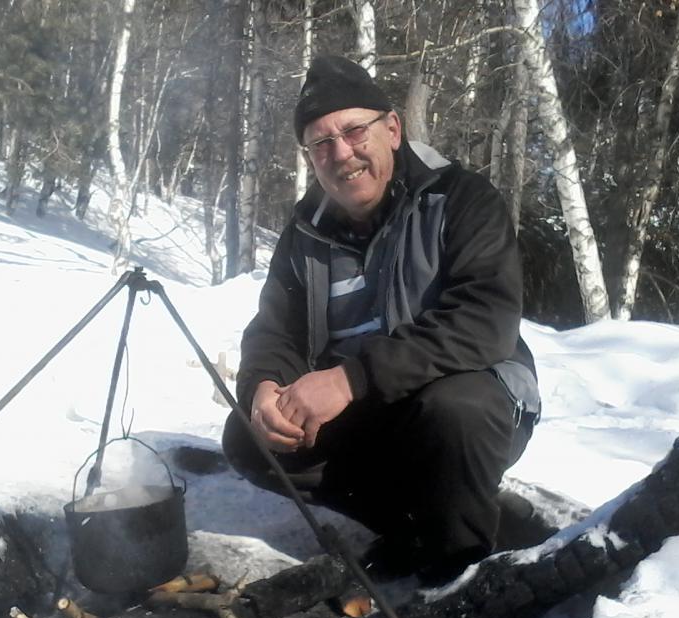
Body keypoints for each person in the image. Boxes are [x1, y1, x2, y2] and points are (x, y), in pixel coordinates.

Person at [222, 55, 540, 583]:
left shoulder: (461, 200)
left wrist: (349, 379)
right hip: (371, 411)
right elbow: (275, 330)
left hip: (473, 402)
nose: (341, 154)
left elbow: (485, 323)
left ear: (392, 129)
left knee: (454, 408)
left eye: (353, 131)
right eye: (321, 144)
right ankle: (415, 526)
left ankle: (457, 574)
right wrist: (263, 387)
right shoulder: (305, 230)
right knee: (250, 437)